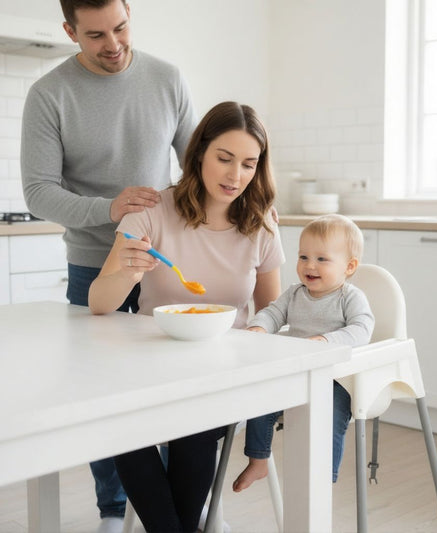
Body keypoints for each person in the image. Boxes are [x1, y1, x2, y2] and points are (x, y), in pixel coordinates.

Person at [20, 0, 197, 529]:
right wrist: (109, 208)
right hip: (93, 267)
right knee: (105, 402)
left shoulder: (167, 79)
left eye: (120, 27)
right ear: (70, 31)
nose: (113, 44)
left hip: (164, 263)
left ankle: (177, 509)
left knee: (176, 394)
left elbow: (201, 167)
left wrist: (253, 199)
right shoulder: (49, 94)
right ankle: (112, 510)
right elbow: (38, 193)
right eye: (96, 35)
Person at [88, 101, 284, 532]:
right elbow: (100, 302)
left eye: (249, 164)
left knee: (194, 428)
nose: (236, 176)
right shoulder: (152, 210)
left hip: (222, 374)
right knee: (119, 424)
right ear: (198, 154)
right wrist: (129, 270)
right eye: (224, 159)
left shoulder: (261, 223)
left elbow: (273, 313)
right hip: (151, 366)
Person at [233, 213, 375, 492]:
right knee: (259, 400)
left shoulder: (350, 297)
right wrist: (259, 328)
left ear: (349, 266)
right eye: (303, 257)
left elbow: (362, 329)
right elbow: (273, 313)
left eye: (322, 259)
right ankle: (258, 460)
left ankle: (325, 475)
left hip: (335, 378)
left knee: (331, 415)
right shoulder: (295, 293)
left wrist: (324, 341)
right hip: (296, 371)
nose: (310, 265)